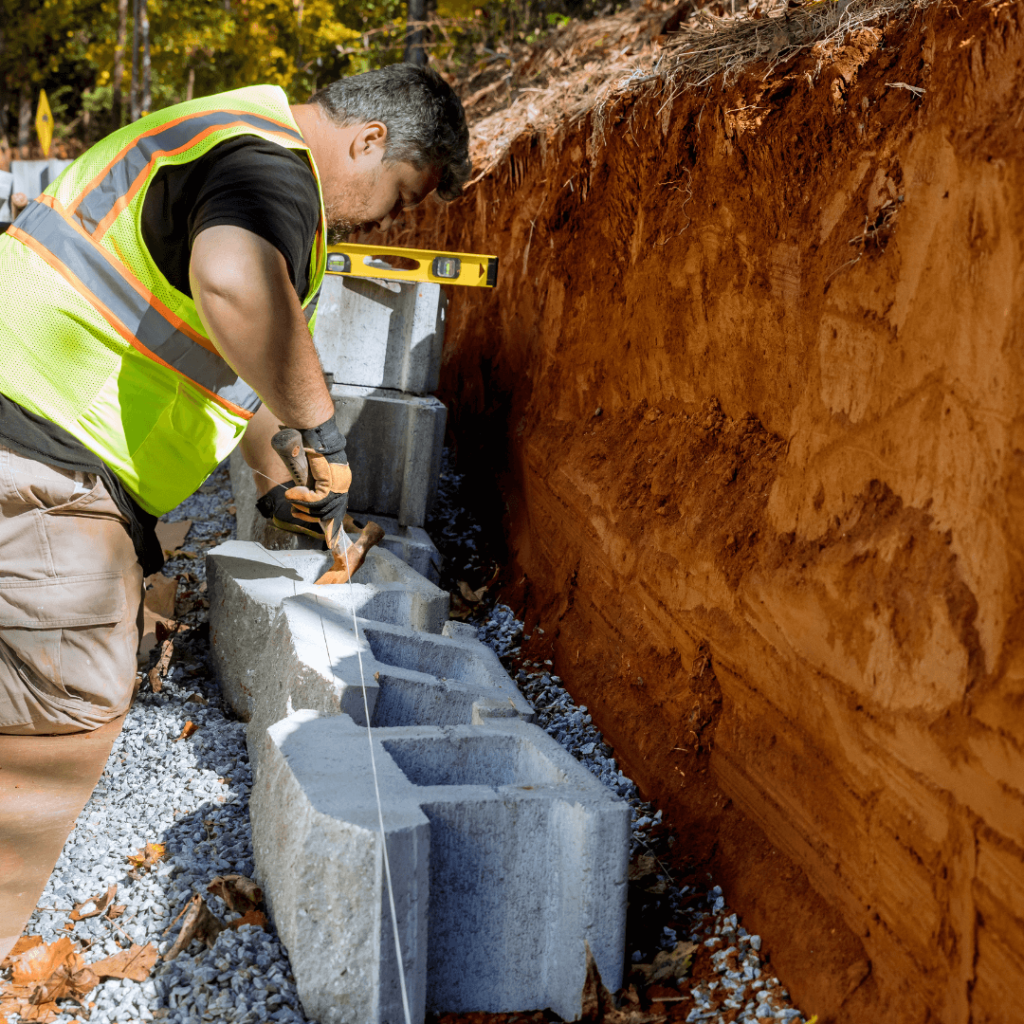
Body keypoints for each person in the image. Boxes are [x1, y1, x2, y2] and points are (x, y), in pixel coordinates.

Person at [0, 63, 470, 735]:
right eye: (399, 197)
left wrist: (295, 493)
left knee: (106, 638)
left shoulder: (239, 138)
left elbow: (246, 368)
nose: (389, 221)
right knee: (72, 694)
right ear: (369, 141)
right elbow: (230, 282)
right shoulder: (270, 171)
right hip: (39, 440)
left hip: (42, 430)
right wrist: (323, 432)